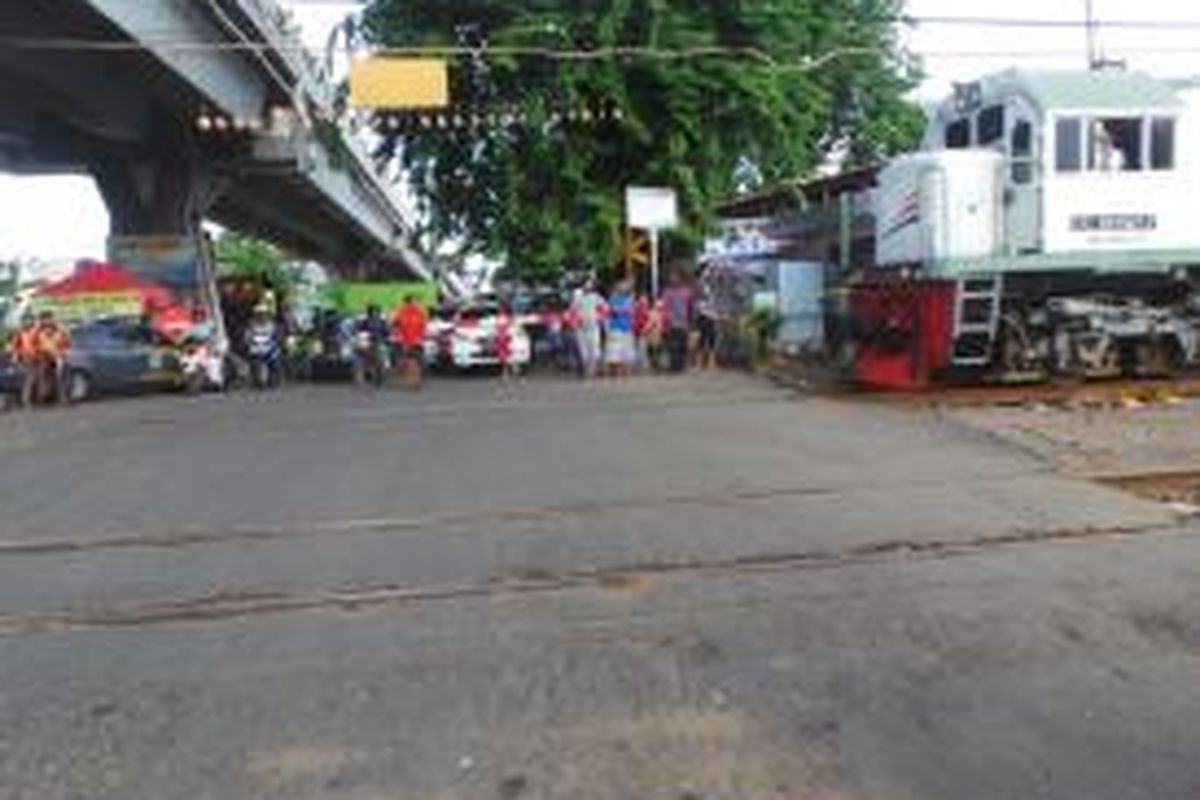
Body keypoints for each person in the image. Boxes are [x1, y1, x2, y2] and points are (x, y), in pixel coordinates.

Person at [32, 310, 71, 405]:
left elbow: (66, 343)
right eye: (45, 319)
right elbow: (33, 343)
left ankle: (63, 399)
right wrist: (39, 352)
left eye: (50, 318)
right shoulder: (37, 331)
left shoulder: (60, 329)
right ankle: (42, 398)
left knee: (60, 378)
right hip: (43, 357)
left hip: (58, 357)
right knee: (43, 378)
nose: (48, 321)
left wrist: (64, 353)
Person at [392, 295, 429, 390]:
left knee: (414, 362)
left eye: (415, 302)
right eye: (413, 302)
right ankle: (414, 382)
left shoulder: (417, 312)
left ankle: (415, 382)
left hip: (414, 342)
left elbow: (424, 326)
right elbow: (396, 324)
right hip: (410, 341)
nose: (414, 303)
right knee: (412, 362)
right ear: (408, 302)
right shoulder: (404, 312)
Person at [571, 279, 605, 379]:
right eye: (586, 285)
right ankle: (586, 372)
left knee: (594, 348)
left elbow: (605, 308)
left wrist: (599, 318)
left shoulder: (596, 297)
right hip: (581, 327)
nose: (588, 287)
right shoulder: (577, 297)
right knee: (583, 349)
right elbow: (572, 311)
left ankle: (592, 371)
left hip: (593, 326)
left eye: (590, 285)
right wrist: (575, 322)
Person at [660, 274, 694, 373]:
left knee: (681, 345)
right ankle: (675, 365)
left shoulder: (686, 292)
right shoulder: (668, 293)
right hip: (673, 322)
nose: (674, 281)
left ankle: (680, 365)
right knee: (674, 345)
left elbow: (690, 307)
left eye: (675, 279)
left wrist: (690, 320)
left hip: (682, 322)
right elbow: (665, 308)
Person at [605, 281, 636, 377]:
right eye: (622, 286)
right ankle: (615, 373)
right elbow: (613, 311)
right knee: (614, 352)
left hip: (627, 328)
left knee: (627, 352)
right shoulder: (613, 299)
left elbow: (630, 312)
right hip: (616, 328)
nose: (625, 288)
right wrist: (622, 309)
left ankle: (625, 373)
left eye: (626, 287)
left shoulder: (629, 299)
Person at [8, 313, 38, 408]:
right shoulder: (19, 333)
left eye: (30, 320)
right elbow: (14, 346)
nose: (28, 322)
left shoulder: (36, 331)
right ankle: (25, 401)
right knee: (26, 381)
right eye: (26, 320)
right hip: (23, 360)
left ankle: (26, 400)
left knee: (31, 380)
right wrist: (16, 356)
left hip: (35, 359)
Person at [695, 291, 719, 370]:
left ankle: (711, 363)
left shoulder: (714, 301)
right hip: (704, 322)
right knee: (702, 342)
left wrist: (716, 317)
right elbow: (701, 311)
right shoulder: (700, 302)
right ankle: (699, 363)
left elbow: (715, 312)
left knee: (712, 343)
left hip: (711, 322)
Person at [496, 302, 517, 381]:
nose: (500, 310)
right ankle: (506, 371)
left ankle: (512, 368)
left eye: (501, 309)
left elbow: (509, 326)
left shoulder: (508, 318)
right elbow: (498, 327)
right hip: (501, 338)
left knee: (508, 353)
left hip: (507, 337)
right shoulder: (500, 318)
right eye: (500, 309)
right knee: (503, 356)